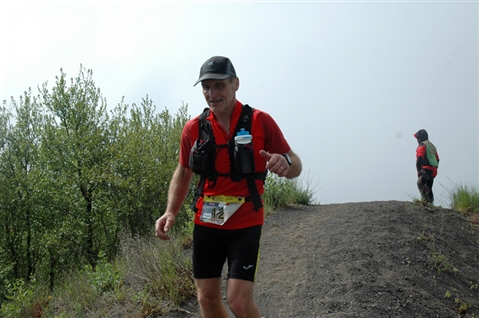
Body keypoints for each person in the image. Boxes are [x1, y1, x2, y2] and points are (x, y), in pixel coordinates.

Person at [155, 56, 302, 318]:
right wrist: (170, 212)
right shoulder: (193, 128)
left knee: (238, 301)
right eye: (206, 87)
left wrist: (285, 162)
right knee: (207, 300)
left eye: (219, 86)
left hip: (246, 223)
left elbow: (296, 166)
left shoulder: (260, 121)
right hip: (207, 222)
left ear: (235, 83)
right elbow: (183, 171)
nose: (212, 94)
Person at [414, 129, 439, 204]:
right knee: (428, 187)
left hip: (426, 168)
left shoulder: (422, 145)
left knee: (420, 183)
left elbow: (420, 158)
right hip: (433, 169)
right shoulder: (432, 146)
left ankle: (425, 201)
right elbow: (437, 159)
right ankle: (430, 203)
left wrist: (419, 170)